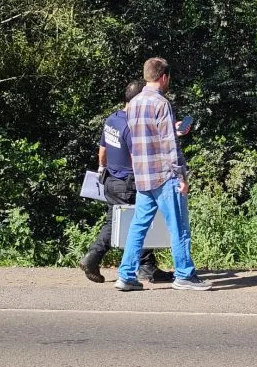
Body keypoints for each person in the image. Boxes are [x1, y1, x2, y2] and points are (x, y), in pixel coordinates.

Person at [115, 57, 211, 291]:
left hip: (143, 175)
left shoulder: (134, 104)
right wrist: (182, 176)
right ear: (164, 77)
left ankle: (126, 275)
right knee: (178, 226)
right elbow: (169, 145)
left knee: (138, 227)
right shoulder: (161, 103)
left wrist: (172, 129)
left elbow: (144, 138)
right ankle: (184, 275)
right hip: (164, 175)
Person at [80, 80, 173, 284]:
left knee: (125, 221)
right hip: (128, 181)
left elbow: (102, 151)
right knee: (137, 220)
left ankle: (145, 265)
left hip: (111, 180)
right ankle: (94, 257)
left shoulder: (112, 119)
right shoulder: (132, 125)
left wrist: (102, 170)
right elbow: (138, 155)